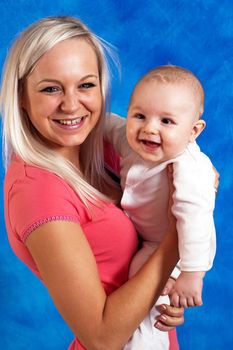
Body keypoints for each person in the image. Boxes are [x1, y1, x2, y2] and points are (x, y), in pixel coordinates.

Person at [1, 16, 185, 350]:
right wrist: (176, 238)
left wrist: (163, 292)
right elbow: (101, 337)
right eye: (50, 88)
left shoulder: (98, 144)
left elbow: (178, 156)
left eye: (85, 85)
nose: (71, 105)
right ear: (22, 97)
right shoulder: (37, 191)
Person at [104, 65, 216, 349]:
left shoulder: (189, 168)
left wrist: (192, 273)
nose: (149, 127)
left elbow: (196, 220)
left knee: (145, 299)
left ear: (193, 131)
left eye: (166, 121)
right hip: (144, 234)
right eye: (139, 115)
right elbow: (110, 125)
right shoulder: (134, 142)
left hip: (168, 246)